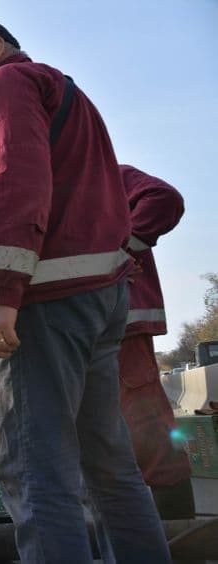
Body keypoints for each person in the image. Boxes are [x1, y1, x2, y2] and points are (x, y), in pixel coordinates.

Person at [0, 21, 170, 563]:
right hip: (95, 303)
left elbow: (15, 183)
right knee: (109, 469)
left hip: (43, 302)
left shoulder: (6, 85)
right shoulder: (64, 91)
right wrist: (120, 254)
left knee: (36, 473)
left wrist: (0, 294)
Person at [119, 164, 192, 518]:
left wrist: (118, 254)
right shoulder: (40, 189)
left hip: (121, 332)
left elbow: (164, 199)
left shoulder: (105, 175)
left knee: (150, 437)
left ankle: (183, 547)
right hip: (74, 333)